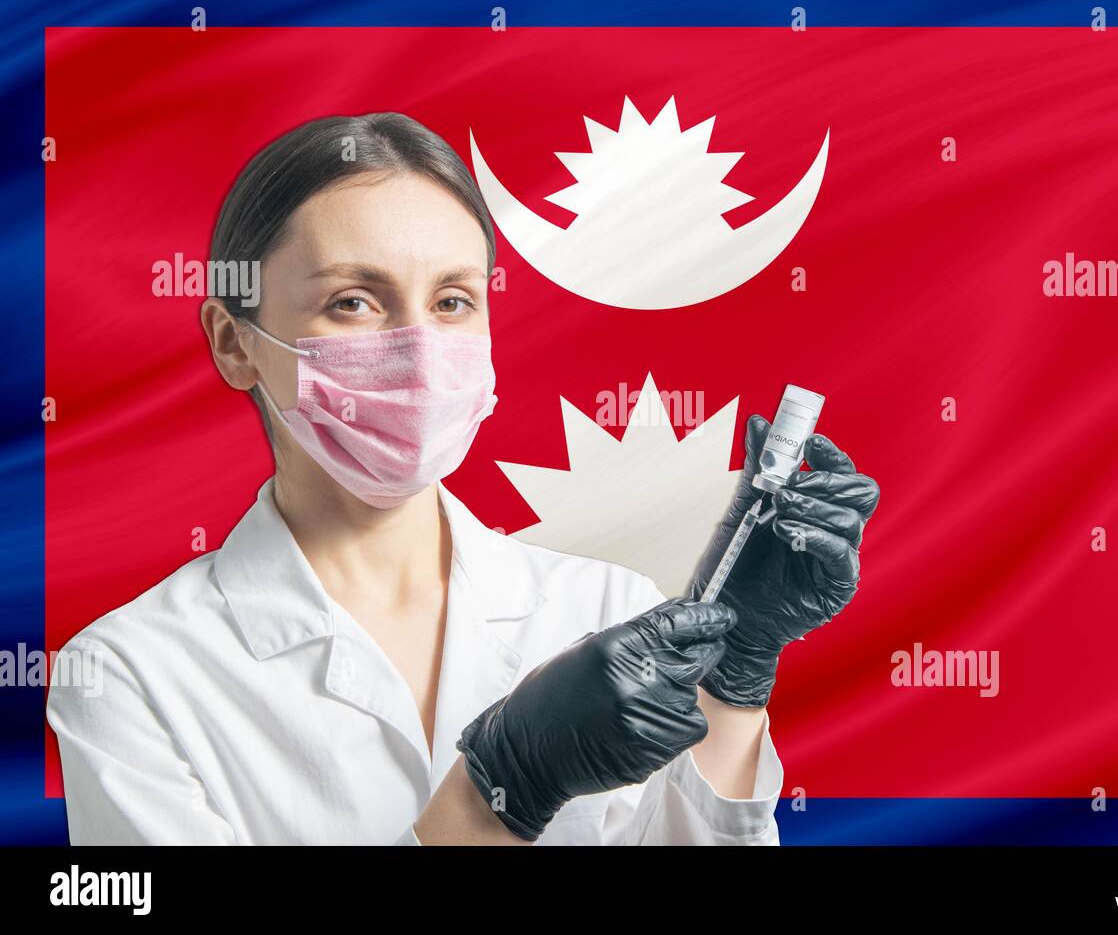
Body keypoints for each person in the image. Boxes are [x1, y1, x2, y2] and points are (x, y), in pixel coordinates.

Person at [45, 112, 879, 845]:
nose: (418, 348)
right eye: (353, 302)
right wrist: (499, 792)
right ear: (235, 342)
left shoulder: (603, 613)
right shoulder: (132, 676)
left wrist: (734, 681)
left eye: (451, 302)